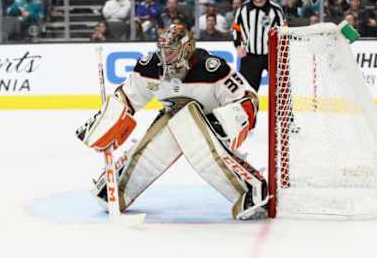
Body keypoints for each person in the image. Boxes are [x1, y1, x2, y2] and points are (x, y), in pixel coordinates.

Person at [76, 24, 268, 220]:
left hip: (212, 124)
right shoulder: (150, 66)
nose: (164, 57)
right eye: (163, 51)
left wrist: (227, 122)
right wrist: (106, 122)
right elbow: (126, 98)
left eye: (171, 51)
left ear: (187, 48)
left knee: (188, 121)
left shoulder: (212, 67)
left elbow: (247, 100)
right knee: (162, 140)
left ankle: (251, 189)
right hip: (174, 116)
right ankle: (118, 187)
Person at [232, 0, 285, 92]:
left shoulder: (276, 10)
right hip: (250, 56)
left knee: (281, 89)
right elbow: (236, 28)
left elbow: (284, 31)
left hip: (272, 56)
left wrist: (281, 52)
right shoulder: (243, 9)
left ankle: (284, 111)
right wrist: (238, 46)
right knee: (247, 93)